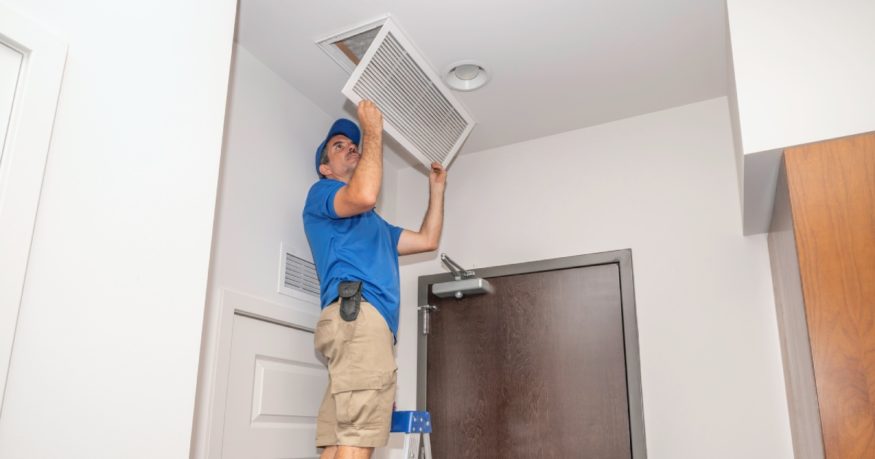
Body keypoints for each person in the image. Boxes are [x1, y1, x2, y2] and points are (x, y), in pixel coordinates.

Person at [303, 100, 446, 459]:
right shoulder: (320, 194)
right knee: (357, 437)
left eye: (354, 144)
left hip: (355, 324)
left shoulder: (377, 226)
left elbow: (427, 239)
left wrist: (437, 190)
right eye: (339, 146)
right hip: (359, 320)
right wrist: (371, 130)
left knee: (339, 441)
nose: (351, 146)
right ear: (325, 168)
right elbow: (365, 194)